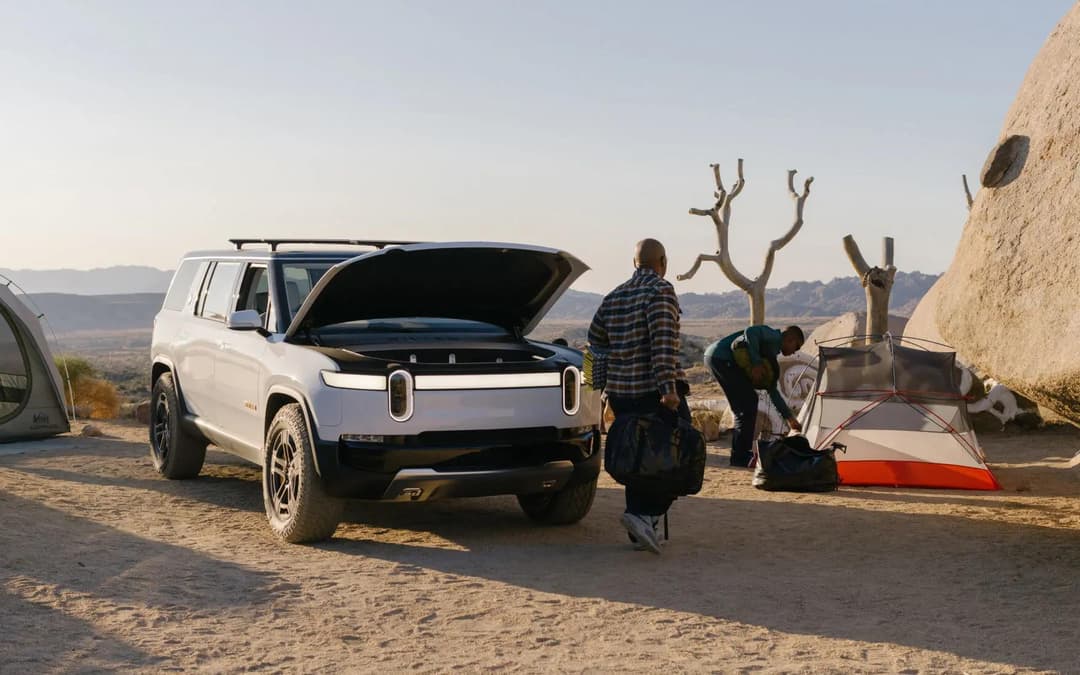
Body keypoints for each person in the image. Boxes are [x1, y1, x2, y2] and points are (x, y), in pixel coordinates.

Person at [588, 238, 689, 554]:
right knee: (679, 455)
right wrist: (668, 390)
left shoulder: (613, 296)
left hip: (621, 393)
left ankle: (641, 528)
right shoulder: (660, 291)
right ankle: (644, 515)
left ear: (635, 264)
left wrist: (602, 386)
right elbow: (663, 344)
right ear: (663, 261)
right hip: (652, 392)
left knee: (637, 458)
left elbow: (594, 344)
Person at [705, 325, 805, 467]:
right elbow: (751, 332)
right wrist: (756, 363)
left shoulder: (770, 356)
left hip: (717, 358)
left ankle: (739, 455)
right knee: (747, 406)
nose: (795, 352)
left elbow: (772, 391)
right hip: (721, 357)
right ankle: (741, 456)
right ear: (790, 339)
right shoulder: (773, 336)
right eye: (797, 347)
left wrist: (790, 418)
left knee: (746, 405)